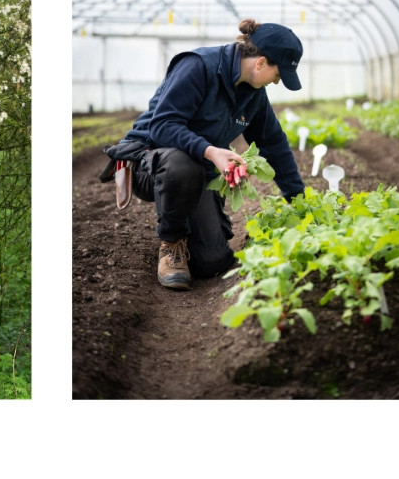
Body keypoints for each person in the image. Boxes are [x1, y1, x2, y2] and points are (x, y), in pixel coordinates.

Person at [105, 18, 307, 291]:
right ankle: (172, 243)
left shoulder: (253, 94)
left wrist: (299, 201)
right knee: (182, 164)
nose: (277, 81)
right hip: (149, 162)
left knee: (212, 263)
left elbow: (274, 144)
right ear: (260, 63)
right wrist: (212, 152)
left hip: (196, 170)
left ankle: (189, 227)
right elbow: (163, 126)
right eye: (278, 74)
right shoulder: (198, 66)